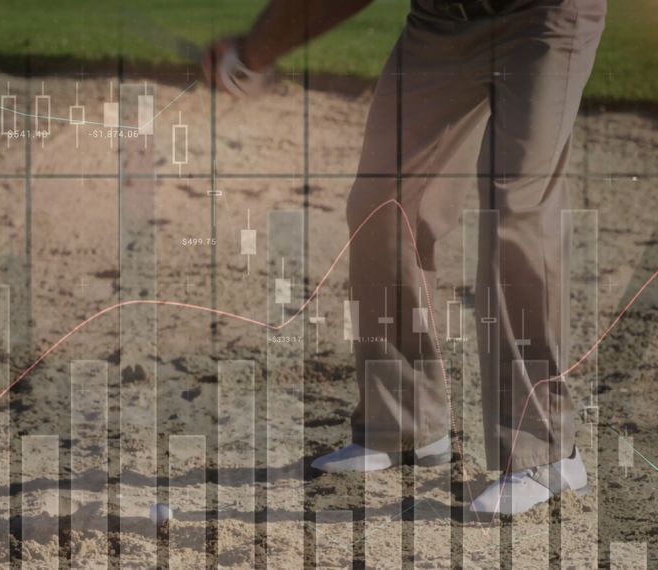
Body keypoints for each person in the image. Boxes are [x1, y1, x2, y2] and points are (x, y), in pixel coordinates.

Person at [203, 0, 606, 516]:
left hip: (543, 16)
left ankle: (545, 452)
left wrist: (255, 49)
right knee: (383, 204)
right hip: (439, 23)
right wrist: (254, 50)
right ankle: (403, 426)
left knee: (517, 210)